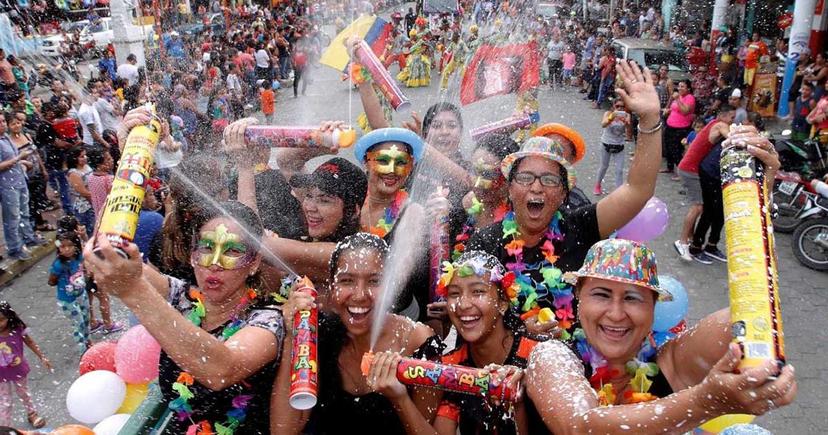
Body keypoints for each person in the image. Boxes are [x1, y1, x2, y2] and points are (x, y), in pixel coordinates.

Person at [468, 60, 663, 335]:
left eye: (549, 180)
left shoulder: (581, 227)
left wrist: (649, 120)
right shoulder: (486, 242)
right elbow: (473, 314)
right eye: (525, 178)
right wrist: (517, 330)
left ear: (563, 193)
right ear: (510, 189)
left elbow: (638, 190)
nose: (536, 188)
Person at [523, 238, 796, 433]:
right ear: (578, 299)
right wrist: (706, 401)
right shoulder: (551, 356)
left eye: (633, 298)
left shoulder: (673, 362)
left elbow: (749, 308)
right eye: (601, 295)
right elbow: (580, 427)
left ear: (653, 309)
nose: (616, 314)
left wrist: (753, 192)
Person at [85, 201, 284, 434]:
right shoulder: (183, 297)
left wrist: (133, 292)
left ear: (254, 263)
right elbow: (120, 262)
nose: (215, 263)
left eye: (232, 251)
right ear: (192, 255)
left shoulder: (268, 321)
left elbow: (222, 369)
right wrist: (109, 232)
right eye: (207, 247)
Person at [271, 233, 443, 434]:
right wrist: (294, 336)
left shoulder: (418, 341)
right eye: (347, 281)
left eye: (374, 281)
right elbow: (283, 430)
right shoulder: (318, 334)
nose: (360, 295)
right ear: (332, 287)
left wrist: (399, 398)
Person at [432, 251, 547, 434]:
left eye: (478, 292)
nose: (463, 304)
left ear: (503, 303)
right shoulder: (450, 365)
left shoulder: (538, 355)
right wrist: (401, 399)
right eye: (454, 293)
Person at [674, 105, 735, 262]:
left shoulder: (712, 123)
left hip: (693, 169)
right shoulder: (720, 125)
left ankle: (693, 240)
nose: (733, 122)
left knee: (701, 206)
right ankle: (682, 242)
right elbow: (731, 138)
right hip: (690, 169)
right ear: (723, 116)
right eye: (732, 118)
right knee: (698, 207)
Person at [0, 115, 45, 261]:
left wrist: (22, 162)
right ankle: (14, 248)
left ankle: (28, 237)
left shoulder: (6, 138)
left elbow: (12, 159)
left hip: (20, 179)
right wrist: (19, 158)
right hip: (7, 184)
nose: (2, 124)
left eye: (2, 121)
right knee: (12, 217)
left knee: (24, 211)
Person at [0, 302, 50, 429]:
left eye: (1, 320)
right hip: (1, 374)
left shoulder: (17, 328)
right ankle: (6, 427)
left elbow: (29, 341)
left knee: (24, 393)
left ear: (8, 317)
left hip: (18, 369)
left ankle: (32, 413)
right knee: (5, 401)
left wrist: (42, 357)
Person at [6, 112, 51, 233]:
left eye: (18, 123)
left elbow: (36, 153)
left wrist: (43, 169)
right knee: (30, 201)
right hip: (25, 175)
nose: (16, 126)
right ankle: (34, 226)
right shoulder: (9, 142)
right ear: (8, 127)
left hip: (37, 172)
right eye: (13, 124)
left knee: (39, 198)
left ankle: (39, 222)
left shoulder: (26, 135)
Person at [48, 231, 91, 354]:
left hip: (81, 294)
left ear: (76, 245)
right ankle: (83, 351)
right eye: (62, 246)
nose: (66, 249)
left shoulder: (79, 257)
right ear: (58, 248)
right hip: (67, 300)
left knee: (86, 319)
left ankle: (88, 342)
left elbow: (85, 266)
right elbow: (51, 281)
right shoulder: (58, 264)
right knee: (79, 324)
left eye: (70, 245)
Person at [595, 99, 631, 195]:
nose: (620, 108)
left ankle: (619, 191)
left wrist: (626, 123)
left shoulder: (627, 115)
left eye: (622, 106)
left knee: (619, 170)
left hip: (619, 145)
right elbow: (603, 124)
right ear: (613, 106)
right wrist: (612, 117)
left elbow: (629, 132)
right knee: (604, 166)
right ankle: (597, 185)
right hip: (606, 143)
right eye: (618, 106)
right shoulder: (608, 113)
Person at [662, 79, 695, 180]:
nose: (680, 88)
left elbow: (685, 111)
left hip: (681, 128)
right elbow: (674, 108)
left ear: (688, 88)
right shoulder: (678, 96)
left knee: (676, 149)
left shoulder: (690, 98)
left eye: (682, 86)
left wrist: (677, 99)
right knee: (667, 146)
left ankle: (681, 173)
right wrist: (668, 111)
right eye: (679, 86)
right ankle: (670, 167)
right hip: (670, 125)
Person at [65, 147, 95, 236]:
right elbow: (83, 192)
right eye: (82, 156)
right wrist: (95, 199)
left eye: (85, 155)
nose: (85, 157)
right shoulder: (74, 173)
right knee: (90, 230)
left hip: (92, 201)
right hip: (84, 206)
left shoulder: (86, 166)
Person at [85, 146, 114, 221]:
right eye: (108, 159)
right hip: (111, 215)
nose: (112, 160)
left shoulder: (91, 177)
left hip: (99, 215)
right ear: (99, 165)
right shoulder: (110, 179)